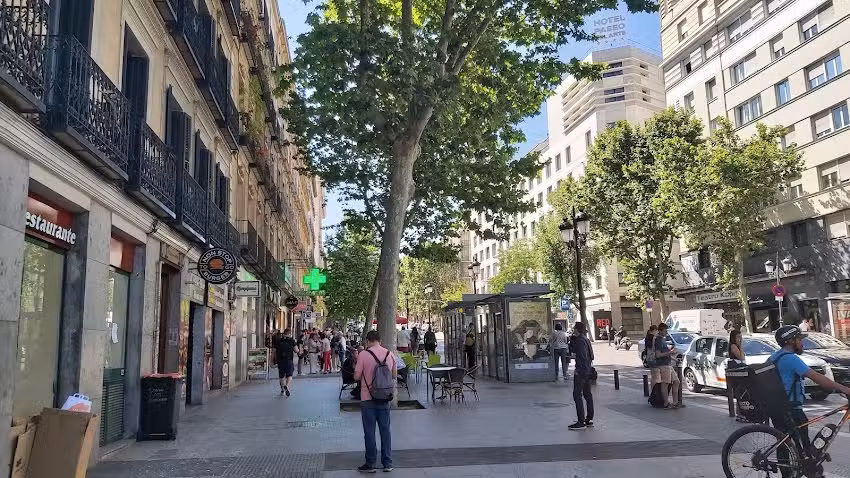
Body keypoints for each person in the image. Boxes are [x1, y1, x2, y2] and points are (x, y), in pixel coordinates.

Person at [771, 325, 850, 475]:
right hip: (791, 409)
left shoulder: (775, 356)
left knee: (785, 444)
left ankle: (793, 473)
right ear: (790, 341)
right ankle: (806, 470)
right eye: (799, 339)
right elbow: (817, 377)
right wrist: (844, 389)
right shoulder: (791, 359)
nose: (802, 343)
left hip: (779, 407)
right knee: (802, 448)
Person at [354, 330, 397, 473]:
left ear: (368, 341)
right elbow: (394, 375)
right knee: (385, 431)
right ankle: (387, 463)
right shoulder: (389, 354)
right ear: (380, 340)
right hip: (385, 398)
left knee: (369, 432)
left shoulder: (363, 355)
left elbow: (356, 376)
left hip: (368, 398)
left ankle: (370, 463)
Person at [569, 322, 594, 430]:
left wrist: (579, 370)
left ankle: (581, 421)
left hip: (581, 371)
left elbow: (582, 356)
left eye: (574, 328)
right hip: (588, 370)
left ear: (577, 329)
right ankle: (588, 418)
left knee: (577, 394)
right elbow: (591, 356)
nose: (573, 330)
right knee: (587, 394)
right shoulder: (586, 339)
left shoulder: (580, 341)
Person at [654, 323, 681, 409]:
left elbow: (665, 354)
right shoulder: (658, 340)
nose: (666, 332)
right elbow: (658, 355)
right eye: (665, 331)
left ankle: (675, 402)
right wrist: (671, 352)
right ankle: (666, 403)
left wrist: (674, 358)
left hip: (668, 364)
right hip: (663, 365)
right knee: (665, 383)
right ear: (660, 331)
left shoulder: (662, 339)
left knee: (676, 382)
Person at [275, 329, 298, 396]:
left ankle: (282, 389)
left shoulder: (279, 340)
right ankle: (287, 386)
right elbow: (296, 350)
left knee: (281, 376)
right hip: (289, 360)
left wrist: (273, 360)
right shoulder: (292, 340)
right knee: (289, 375)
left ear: (283, 333)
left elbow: (274, 351)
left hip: (280, 360)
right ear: (290, 333)